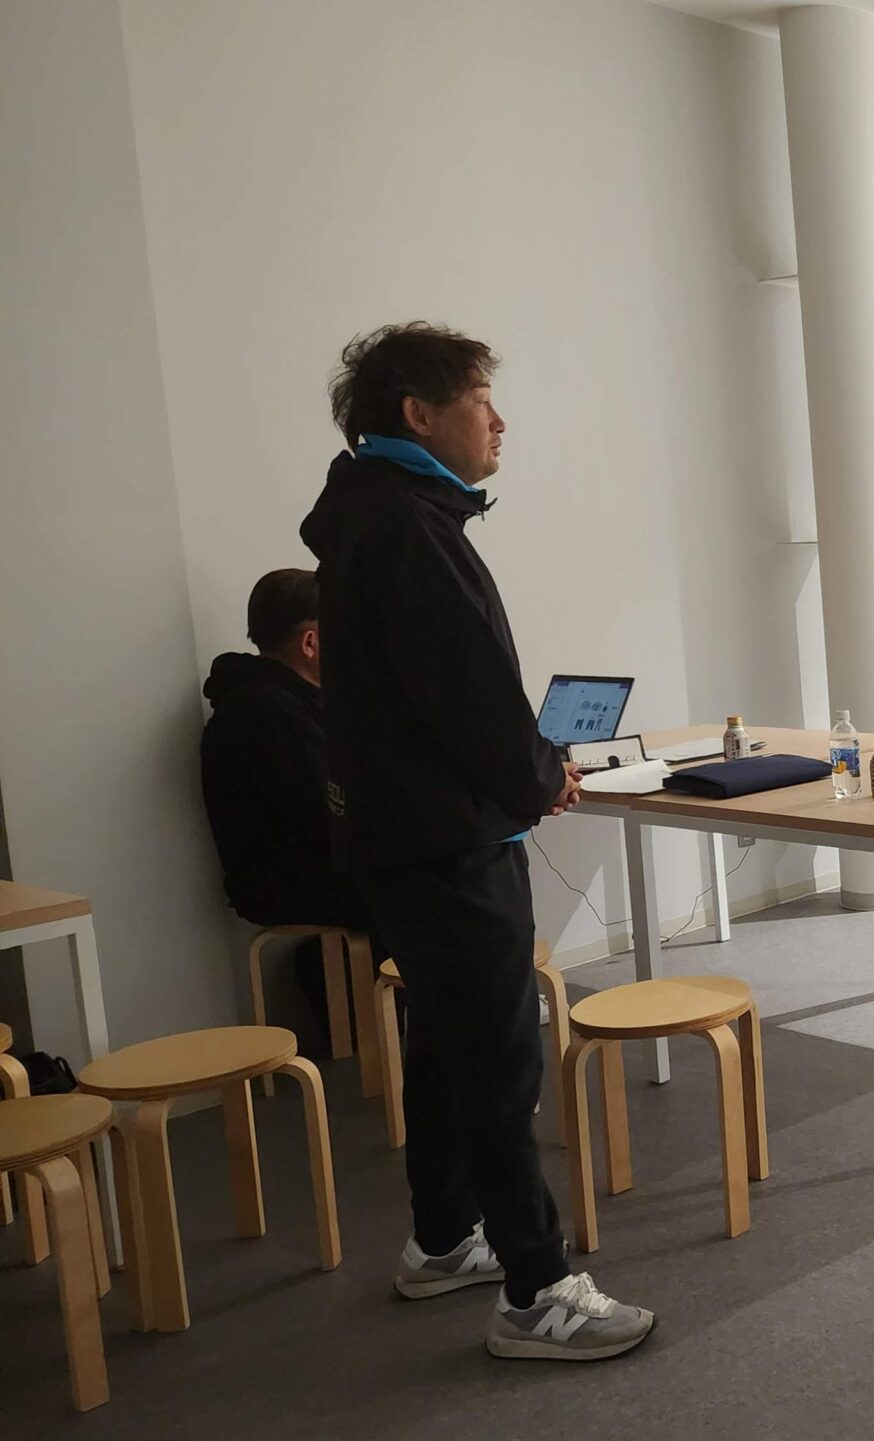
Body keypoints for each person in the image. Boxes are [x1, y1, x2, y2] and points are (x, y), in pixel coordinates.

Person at [300, 323, 653, 1360]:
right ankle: (537, 1292)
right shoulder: (409, 528)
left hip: (412, 834)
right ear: (418, 414)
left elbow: (440, 695)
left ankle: (446, 1237)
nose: (499, 421)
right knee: (498, 1060)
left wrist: (527, 772)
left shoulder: (377, 515)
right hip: (447, 842)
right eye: (480, 400)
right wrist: (539, 776)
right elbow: (470, 696)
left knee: (446, 1044)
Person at [199, 568, 367, 1046]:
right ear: (311, 643)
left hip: (307, 868)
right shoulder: (270, 713)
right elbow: (331, 812)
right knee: (446, 881)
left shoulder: (280, 702)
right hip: (288, 881)